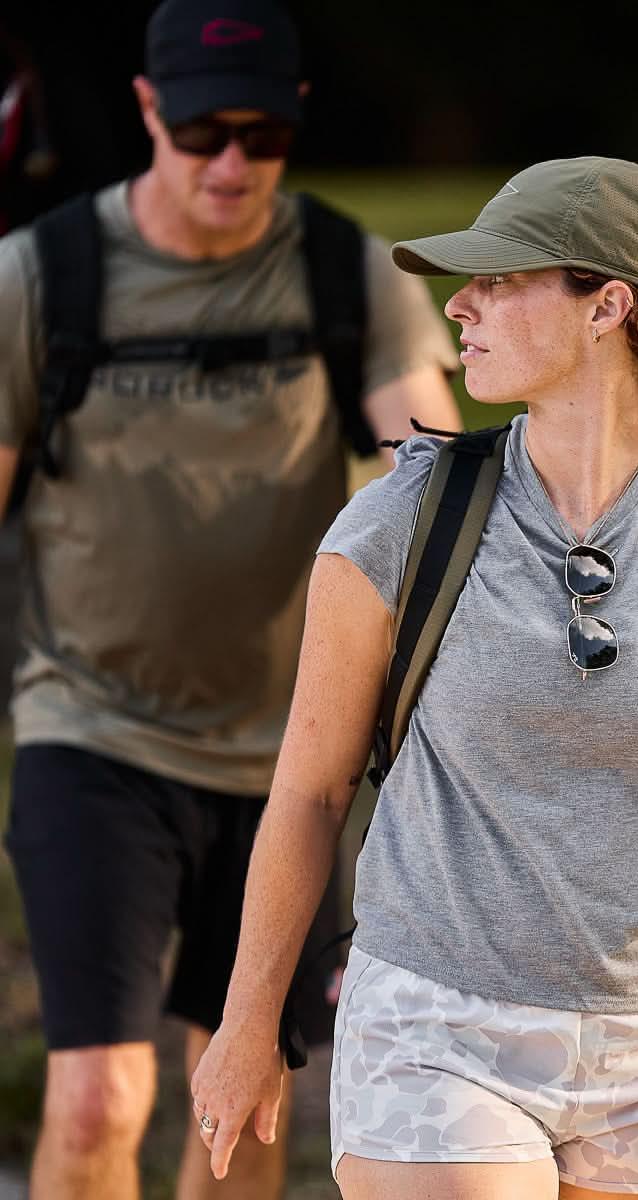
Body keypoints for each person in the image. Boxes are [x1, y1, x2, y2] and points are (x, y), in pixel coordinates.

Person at [191, 156, 638, 1200]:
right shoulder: (404, 520)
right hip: (438, 1020)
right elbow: (309, 790)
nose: (460, 305)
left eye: (501, 279)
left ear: (607, 305)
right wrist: (249, 1021)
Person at [0, 0, 460, 1196]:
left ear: (295, 119)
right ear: (149, 110)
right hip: (92, 729)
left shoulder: (340, 269)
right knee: (101, 1093)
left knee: (243, 1104)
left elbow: (435, 474)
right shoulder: (41, 277)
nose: (233, 164)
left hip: (289, 760)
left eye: (262, 136)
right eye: (204, 134)